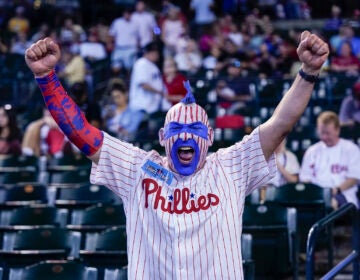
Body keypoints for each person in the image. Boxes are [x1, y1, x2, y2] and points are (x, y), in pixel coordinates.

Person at [25, 31, 329, 279]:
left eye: (196, 127)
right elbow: (82, 134)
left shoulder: (231, 166)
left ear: (209, 137)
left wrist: (308, 72)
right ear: (161, 138)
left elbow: (281, 124)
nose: (185, 135)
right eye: (176, 128)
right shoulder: (139, 169)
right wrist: (47, 79)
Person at [299, 111, 360, 209]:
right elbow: (305, 178)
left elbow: (354, 178)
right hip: (316, 196)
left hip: (344, 195)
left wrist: (334, 191)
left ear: (337, 130)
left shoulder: (351, 149)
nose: (324, 137)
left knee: (332, 203)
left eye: (328, 133)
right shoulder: (312, 151)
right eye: (322, 133)